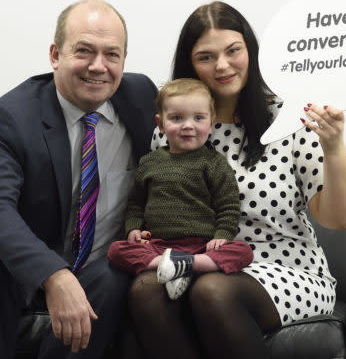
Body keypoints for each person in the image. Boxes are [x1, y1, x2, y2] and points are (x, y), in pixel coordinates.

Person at [0, 0, 158, 359]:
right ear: (55, 54)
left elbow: (200, 112)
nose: (99, 66)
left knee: (116, 274)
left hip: (97, 268)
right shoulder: (10, 117)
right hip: (17, 268)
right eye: (84, 51)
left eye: (112, 55)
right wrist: (55, 275)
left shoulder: (142, 98)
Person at [127, 1, 346, 359]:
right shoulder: (174, 129)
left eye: (233, 50)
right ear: (191, 64)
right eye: (206, 57)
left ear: (250, 51)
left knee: (213, 292)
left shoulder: (290, 120)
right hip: (197, 264)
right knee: (146, 288)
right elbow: (149, 205)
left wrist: (333, 147)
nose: (222, 65)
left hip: (287, 271)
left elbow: (337, 218)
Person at [107, 78, 253, 300]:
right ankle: (174, 266)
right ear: (161, 124)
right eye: (177, 118)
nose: (188, 125)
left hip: (201, 245)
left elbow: (229, 207)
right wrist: (133, 228)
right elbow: (136, 202)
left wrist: (222, 235)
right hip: (158, 246)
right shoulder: (150, 162)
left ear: (211, 124)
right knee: (116, 250)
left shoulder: (213, 163)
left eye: (198, 118)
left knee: (243, 252)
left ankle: (186, 265)